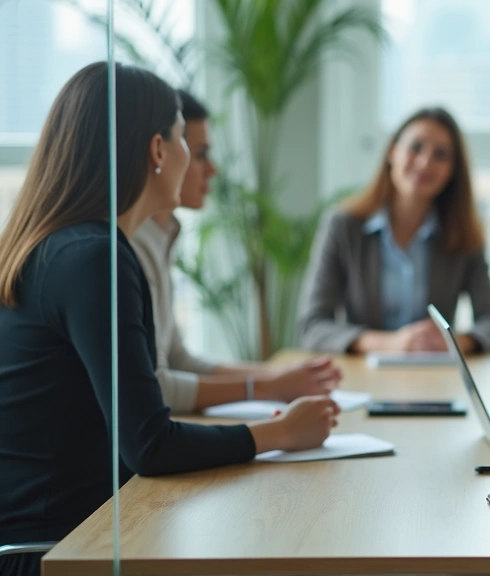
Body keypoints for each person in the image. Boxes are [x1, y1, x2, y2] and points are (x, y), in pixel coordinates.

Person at [0, 62, 337, 576]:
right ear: (157, 150)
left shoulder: (65, 247)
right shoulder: (97, 258)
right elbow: (150, 445)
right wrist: (281, 434)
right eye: (183, 137)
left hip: (74, 538)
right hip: (58, 554)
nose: (192, 158)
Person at [130, 89, 342, 414]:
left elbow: (177, 359)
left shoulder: (161, 234)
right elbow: (156, 387)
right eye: (198, 153)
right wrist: (268, 388)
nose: (211, 170)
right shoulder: (129, 246)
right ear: (158, 152)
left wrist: (279, 376)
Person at [297, 107, 490, 355]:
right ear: (392, 152)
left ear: (452, 171)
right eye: (415, 147)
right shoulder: (344, 226)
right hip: (362, 378)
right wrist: (391, 344)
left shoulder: (463, 235)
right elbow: (311, 326)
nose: (425, 162)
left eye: (441, 155)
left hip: (435, 380)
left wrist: (452, 342)